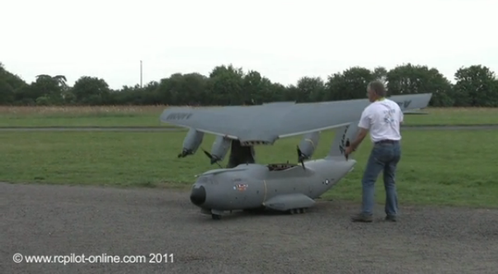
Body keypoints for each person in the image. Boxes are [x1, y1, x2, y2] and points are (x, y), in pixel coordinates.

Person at [344, 80, 403, 222]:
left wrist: (352, 147)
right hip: (396, 146)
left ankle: (367, 213)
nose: (367, 95)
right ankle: (392, 213)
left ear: (374, 93)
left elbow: (362, 133)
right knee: (390, 181)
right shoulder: (395, 106)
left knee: (368, 180)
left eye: (368, 92)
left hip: (381, 147)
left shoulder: (370, 109)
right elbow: (400, 122)